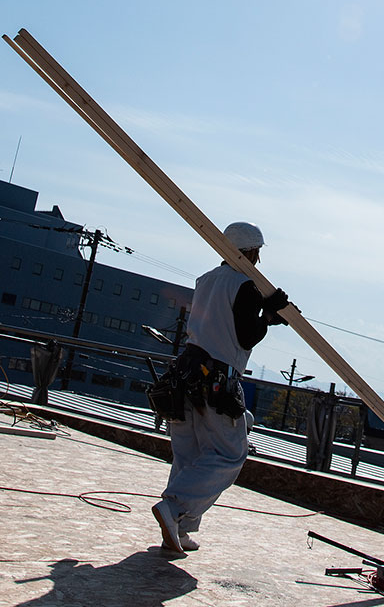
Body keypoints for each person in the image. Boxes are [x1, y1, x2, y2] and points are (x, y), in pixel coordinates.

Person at [152, 221, 289, 553]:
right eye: (257, 253)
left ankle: (179, 529)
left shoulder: (206, 279)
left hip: (185, 375)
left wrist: (265, 311)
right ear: (252, 252)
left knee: (189, 456)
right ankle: (175, 507)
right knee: (229, 454)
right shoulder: (244, 285)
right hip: (216, 379)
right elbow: (245, 335)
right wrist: (268, 318)